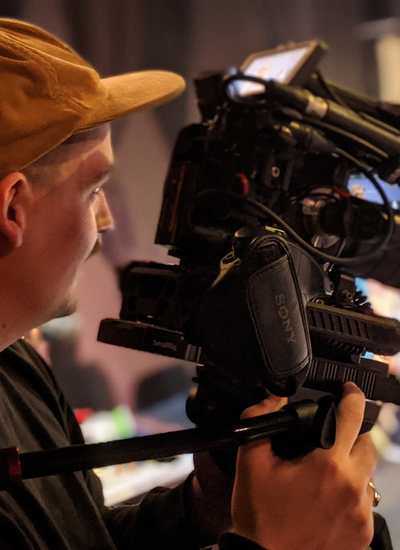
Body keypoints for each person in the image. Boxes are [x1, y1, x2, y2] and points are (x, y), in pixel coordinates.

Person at [0, 17, 383, 550]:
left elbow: (85, 539)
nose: (106, 220)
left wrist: (206, 505)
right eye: (93, 190)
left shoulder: (13, 366)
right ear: (12, 206)